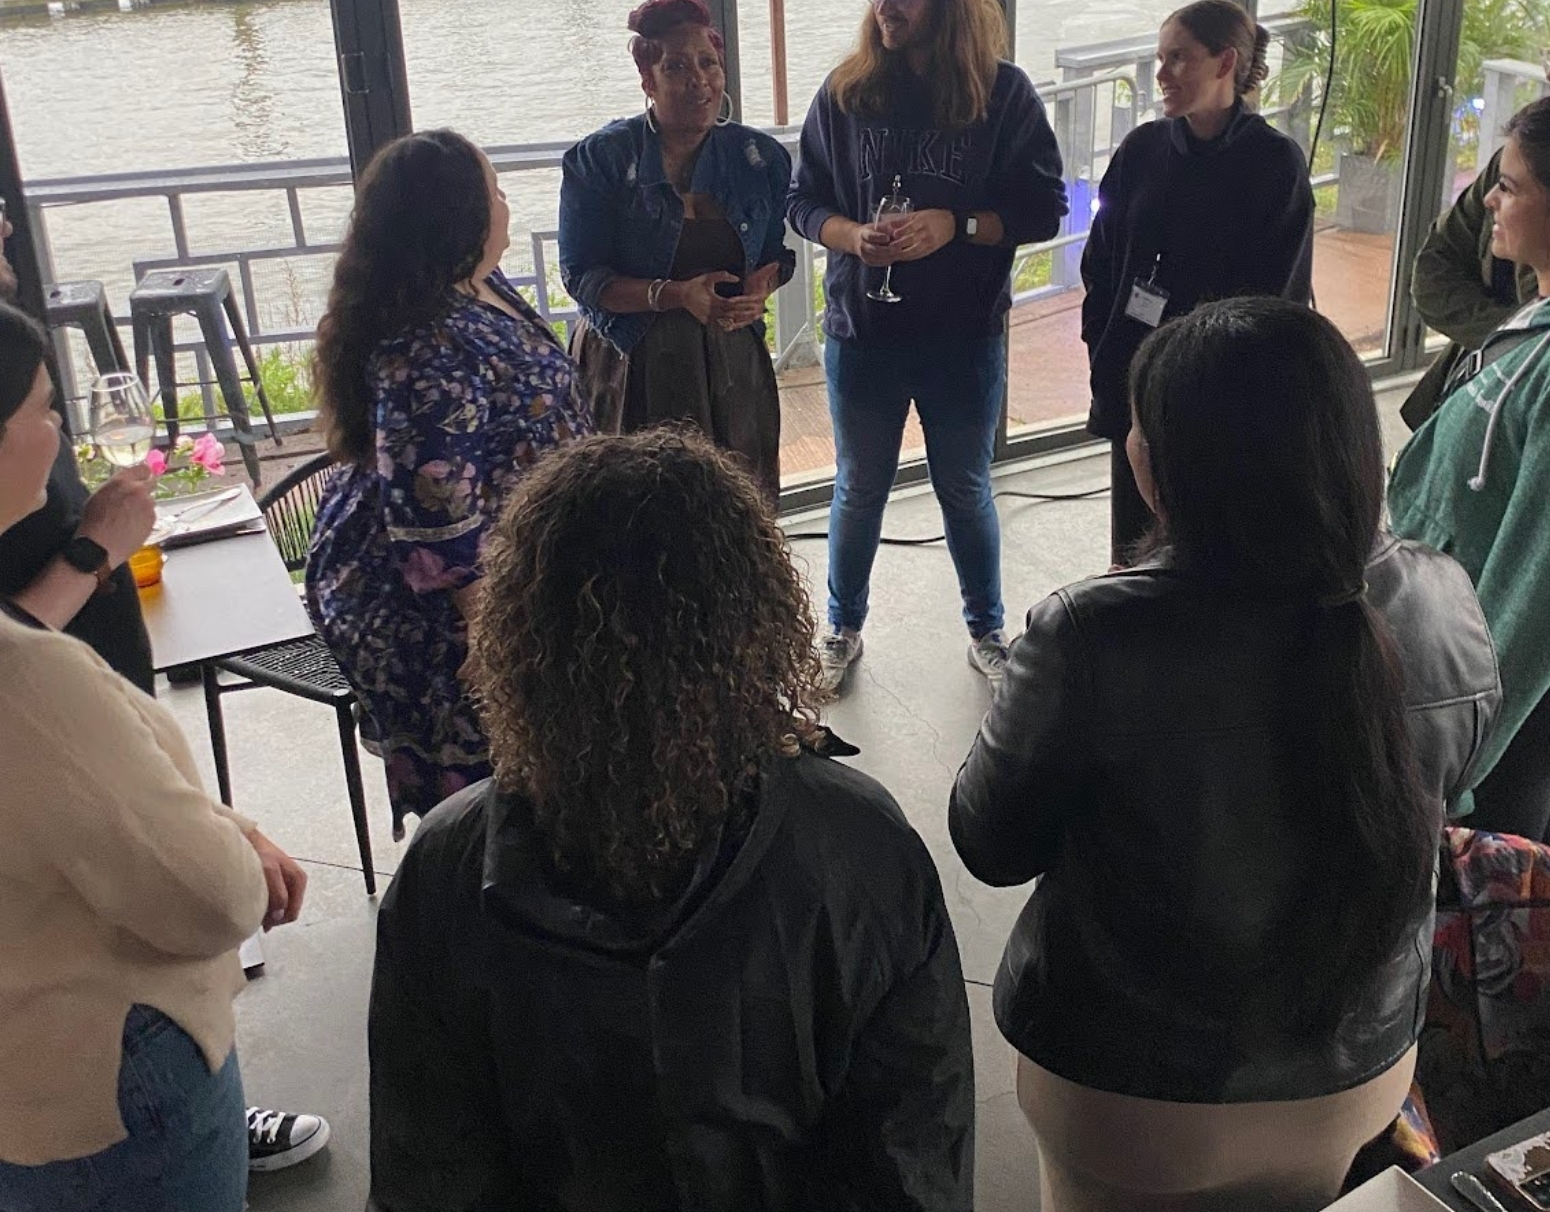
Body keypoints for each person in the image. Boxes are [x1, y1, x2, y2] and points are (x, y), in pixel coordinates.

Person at [951, 298, 1500, 1212]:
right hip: (1359, 1070)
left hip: (1135, 1095)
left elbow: (989, 842)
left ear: (1170, 470)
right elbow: (1459, 777)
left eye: (1140, 428)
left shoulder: (1091, 634)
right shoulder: (1442, 596)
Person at [368, 429, 974, 1212]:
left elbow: (427, 1177)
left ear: (517, 641)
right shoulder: (863, 846)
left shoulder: (443, 868)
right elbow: (912, 1166)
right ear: (756, 626)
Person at [0, 214, 331, 1177]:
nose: (60, 427)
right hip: (103, 1070)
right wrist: (229, 846)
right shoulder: (32, 678)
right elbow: (210, 897)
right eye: (44, 407)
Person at [788, 0, 1067, 693]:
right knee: (858, 487)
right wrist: (850, 235)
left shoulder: (1002, 94)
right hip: (862, 333)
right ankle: (842, 628)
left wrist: (958, 225)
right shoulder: (845, 91)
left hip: (963, 336)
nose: (885, 5)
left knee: (966, 488)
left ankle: (987, 631)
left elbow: (1045, 209)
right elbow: (801, 201)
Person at [307, 129, 592, 836]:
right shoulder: (426, 345)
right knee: (491, 800)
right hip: (447, 609)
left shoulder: (478, 283)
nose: (505, 200)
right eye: (493, 190)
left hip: (512, 570)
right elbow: (436, 519)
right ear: (456, 217)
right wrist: (490, 636)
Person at [1080, 0, 1314, 565]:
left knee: (1211, 552)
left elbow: (1275, 301)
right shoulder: (1141, 150)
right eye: (1160, 58)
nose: (1161, 74)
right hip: (1136, 385)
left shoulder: (1274, 165)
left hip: (1222, 401)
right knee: (1134, 553)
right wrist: (1103, 348)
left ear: (1225, 62)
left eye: (1178, 58)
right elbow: (1101, 262)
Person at [1389, 95, 1550, 842]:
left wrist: (1455, 764)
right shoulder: (1529, 321)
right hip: (1458, 662)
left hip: (1498, 732)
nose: (1489, 198)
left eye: (1509, 187)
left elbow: (1532, 595)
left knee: (1490, 894)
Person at [559, 0, 793, 506]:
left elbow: (777, 253)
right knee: (635, 509)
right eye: (677, 67)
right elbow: (582, 278)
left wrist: (762, 286)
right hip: (631, 358)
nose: (699, 81)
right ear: (648, 80)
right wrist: (676, 294)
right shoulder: (601, 158)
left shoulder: (759, 159)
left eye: (709, 63)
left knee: (734, 510)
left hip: (730, 358)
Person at [1402, 141, 1542, 428]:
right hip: (1468, 389)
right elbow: (1431, 275)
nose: (1491, 199)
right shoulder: (1518, 151)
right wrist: (1514, 339)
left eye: (1507, 188)